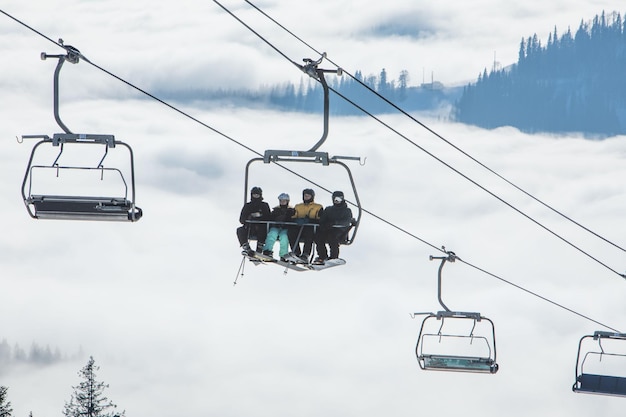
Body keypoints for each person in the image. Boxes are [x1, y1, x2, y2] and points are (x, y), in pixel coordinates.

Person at [313, 191, 354, 265]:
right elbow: (323, 219)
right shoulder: (329, 209)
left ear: (342, 199)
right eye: (335, 199)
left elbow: (346, 221)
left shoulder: (346, 211)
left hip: (340, 231)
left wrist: (335, 223)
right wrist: (323, 224)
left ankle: (333, 256)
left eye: (338, 199)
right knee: (318, 236)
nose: (336, 201)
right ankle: (322, 256)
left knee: (332, 237)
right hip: (328, 229)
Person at [288, 188, 323, 262]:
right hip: (299, 227)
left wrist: (310, 220)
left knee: (309, 234)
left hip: (310, 227)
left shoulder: (318, 207)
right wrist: (296, 220)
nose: (306, 197)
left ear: (312, 197)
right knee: (291, 232)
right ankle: (296, 252)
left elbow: (321, 219)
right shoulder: (298, 206)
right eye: (305, 196)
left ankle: (305, 254)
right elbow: (293, 216)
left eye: (308, 196)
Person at [237, 186, 271, 256]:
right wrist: (249, 217)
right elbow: (241, 219)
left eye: (257, 195)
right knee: (240, 230)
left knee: (262, 229)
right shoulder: (247, 206)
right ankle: (247, 248)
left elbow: (269, 217)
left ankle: (259, 248)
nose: (256, 196)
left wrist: (260, 216)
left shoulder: (264, 205)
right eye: (254, 194)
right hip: (250, 227)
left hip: (261, 227)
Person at [262, 193, 296, 261]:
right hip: (276, 226)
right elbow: (270, 218)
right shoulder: (276, 210)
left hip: (285, 228)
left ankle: (283, 255)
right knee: (272, 234)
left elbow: (293, 219)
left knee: (284, 237)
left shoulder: (291, 210)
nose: (282, 202)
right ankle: (267, 251)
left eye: (284, 201)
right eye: (281, 200)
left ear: (287, 201)